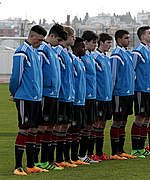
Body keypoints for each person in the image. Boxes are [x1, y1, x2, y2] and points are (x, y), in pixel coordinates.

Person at [9, 25, 48, 175]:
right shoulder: (21, 53)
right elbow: (15, 77)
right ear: (31, 37)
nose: (41, 43)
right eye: (39, 40)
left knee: (34, 130)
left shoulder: (35, 52)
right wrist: (15, 93)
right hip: (25, 98)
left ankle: (31, 165)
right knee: (24, 129)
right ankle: (18, 166)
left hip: (36, 98)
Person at [37, 23, 66, 170]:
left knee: (50, 128)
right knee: (42, 127)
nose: (59, 43)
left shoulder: (52, 51)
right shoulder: (42, 50)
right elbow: (38, 72)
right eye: (59, 40)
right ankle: (38, 161)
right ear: (52, 36)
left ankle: (47, 160)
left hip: (54, 94)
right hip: (45, 94)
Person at [131, 26, 150, 158]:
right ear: (142, 36)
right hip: (141, 90)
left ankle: (142, 148)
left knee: (147, 118)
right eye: (149, 33)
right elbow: (132, 70)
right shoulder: (137, 52)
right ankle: (135, 148)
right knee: (140, 117)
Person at [54, 26, 78, 167]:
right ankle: (56, 159)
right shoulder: (57, 52)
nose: (74, 39)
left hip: (69, 96)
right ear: (67, 36)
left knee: (66, 127)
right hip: (62, 96)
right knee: (59, 127)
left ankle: (63, 158)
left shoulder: (67, 53)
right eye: (73, 36)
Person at [110, 30, 136, 160]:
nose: (128, 40)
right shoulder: (116, 55)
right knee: (117, 121)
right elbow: (113, 76)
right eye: (126, 38)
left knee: (124, 121)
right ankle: (115, 152)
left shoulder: (127, 54)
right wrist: (111, 93)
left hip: (128, 93)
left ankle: (121, 150)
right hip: (119, 93)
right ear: (119, 40)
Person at [79, 30, 100, 163]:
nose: (95, 45)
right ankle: (80, 155)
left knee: (90, 125)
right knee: (84, 126)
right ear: (85, 42)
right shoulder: (82, 57)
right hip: (85, 96)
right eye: (93, 42)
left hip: (92, 95)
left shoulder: (90, 57)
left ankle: (85, 154)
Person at [91, 33, 113, 160]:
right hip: (98, 97)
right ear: (101, 43)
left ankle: (99, 153)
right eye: (108, 43)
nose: (109, 45)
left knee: (103, 125)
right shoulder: (95, 58)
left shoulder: (106, 58)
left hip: (107, 97)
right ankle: (92, 153)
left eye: (110, 43)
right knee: (96, 124)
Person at [70, 37, 91, 164]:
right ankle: (71, 157)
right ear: (75, 48)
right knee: (72, 129)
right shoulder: (72, 61)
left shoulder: (79, 61)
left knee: (79, 129)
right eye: (81, 47)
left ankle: (77, 156)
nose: (84, 49)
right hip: (74, 100)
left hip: (82, 100)